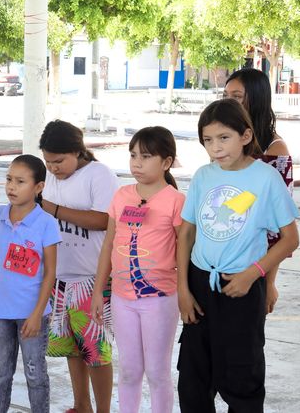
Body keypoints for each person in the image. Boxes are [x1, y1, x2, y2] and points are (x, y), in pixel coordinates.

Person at [177, 99, 299, 413]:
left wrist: (253, 274)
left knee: (242, 380)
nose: (215, 147)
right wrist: (183, 289)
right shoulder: (203, 176)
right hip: (199, 283)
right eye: (207, 140)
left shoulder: (265, 179)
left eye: (223, 138)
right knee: (192, 381)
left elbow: (289, 240)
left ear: (245, 136)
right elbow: (187, 233)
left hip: (243, 288)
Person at [90, 127, 184, 413]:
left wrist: (186, 293)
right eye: (133, 156)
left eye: (145, 156)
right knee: (129, 372)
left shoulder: (175, 200)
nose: (137, 163)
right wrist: (98, 292)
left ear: (166, 162)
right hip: (122, 298)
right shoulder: (121, 196)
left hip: (160, 299)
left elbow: (185, 250)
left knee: (157, 373)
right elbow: (108, 244)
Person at [0, 154, 61, 413]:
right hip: (0, 311)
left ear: (38, 187)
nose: (11, 187)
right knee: (0, 374)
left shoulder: (46, 223)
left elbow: (50, 273)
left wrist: (37, 313)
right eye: (9, 179)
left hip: (32, 316)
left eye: (20, 181)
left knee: (35, 375)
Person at [39, 120, 119, 413]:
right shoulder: (49, 177)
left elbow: (103, 220)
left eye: (59, 161)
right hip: (59, 278)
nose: (53, 168)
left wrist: (55, 210)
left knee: (97, 351)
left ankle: (103, 410)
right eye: (48, 162)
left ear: (77, 151)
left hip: (92, 278)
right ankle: (81, 405)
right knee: (73, 347)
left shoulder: (99, 175)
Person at [224, 68, 291, 314]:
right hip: (218, 261)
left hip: (253, 268)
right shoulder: (224, 144)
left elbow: (279, 229)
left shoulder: (275, 149)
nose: (228, 102)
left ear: (256, 98)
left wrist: (269, 281)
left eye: (237, 96)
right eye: (225, 95)